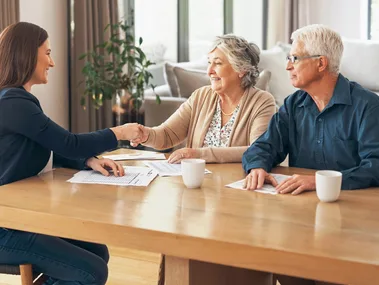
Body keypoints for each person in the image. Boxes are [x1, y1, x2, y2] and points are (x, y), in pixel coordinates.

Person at [0, 22, 144, 285]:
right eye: (47, 53)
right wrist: (120, 132)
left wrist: (87, 160)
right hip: (4, 226)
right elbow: (69, 143)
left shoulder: (15, 99)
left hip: (14, 217)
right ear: (27, 55)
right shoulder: (12, 103)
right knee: (91, 271)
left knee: (96, 251)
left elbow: (48, 146)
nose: (52, 62)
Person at [242, 24, 379, 284]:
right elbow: (264, 146)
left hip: (353, 225)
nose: (288, 66)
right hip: (301, 220)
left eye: (295, 58)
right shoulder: (294, 105)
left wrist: (319, 181)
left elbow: (375, 166)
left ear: (320, 64)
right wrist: (257, 166)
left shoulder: (367, 107)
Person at [132, 34, 276, 165]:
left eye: (218, 63)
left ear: (241, 70)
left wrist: (198, 154)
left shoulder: (262, 102)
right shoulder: (201, 96)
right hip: (198, 182)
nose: (209, 71)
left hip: (237, 185)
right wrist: (146, 135)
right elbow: (167, 134)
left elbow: (258, 150)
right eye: (209, 62)